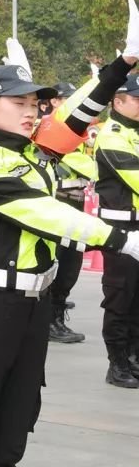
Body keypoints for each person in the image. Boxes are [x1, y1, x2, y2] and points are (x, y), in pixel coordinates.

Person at [0, 42, 137, 467]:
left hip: (31, 309)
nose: (32, 112)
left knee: (10, 438)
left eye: (35, 105)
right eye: (19, 104)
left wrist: (122, 66)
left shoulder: (29, 151)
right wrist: (118, 238)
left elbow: (76, 118)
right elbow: (40, 210)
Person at [94, 75, 139, 387]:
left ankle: (135, 357)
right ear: (117, 101)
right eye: (136, 99)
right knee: (121, 297)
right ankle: (118, 363)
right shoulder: (112, 135)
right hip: (120, 225)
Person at [42, 82, 91, 345]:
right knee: (61, 262)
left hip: (76, 202)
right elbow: (82, 163)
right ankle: (51, 319)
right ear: (55, 103)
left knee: (72, 264)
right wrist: (99, 168)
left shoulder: (77, 131)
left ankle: (56, 315)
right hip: (60, 203)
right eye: (67, 99)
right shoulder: (51, 129)